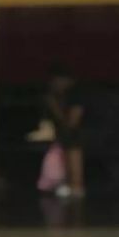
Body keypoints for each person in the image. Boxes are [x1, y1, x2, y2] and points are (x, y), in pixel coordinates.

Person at [28, 63, 86, 198]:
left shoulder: (77, 94)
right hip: (69, 133)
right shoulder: (59, 96)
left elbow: (72, 123)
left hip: (100, 132)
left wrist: (54, 107)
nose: (54, 85)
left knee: (72, 139)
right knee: (64, 140)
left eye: (56, 81)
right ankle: (61, 182)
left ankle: (76, 184)